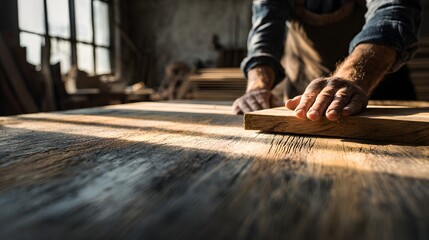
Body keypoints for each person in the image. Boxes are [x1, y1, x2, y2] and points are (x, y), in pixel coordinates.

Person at [233, 0, 422, 121]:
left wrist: (351, 78)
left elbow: (392, 13)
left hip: (381, 90)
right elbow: (266, 25)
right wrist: (258, 87)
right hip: (303, 98)